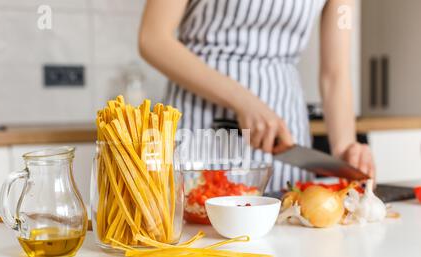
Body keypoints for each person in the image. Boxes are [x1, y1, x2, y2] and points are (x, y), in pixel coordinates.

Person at [138, 0, 375, 191]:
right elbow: (153, 38)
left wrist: (345, 148)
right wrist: (242, 100)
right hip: (199, 123)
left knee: (290, 234)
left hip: (285, 130)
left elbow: (335, 74)